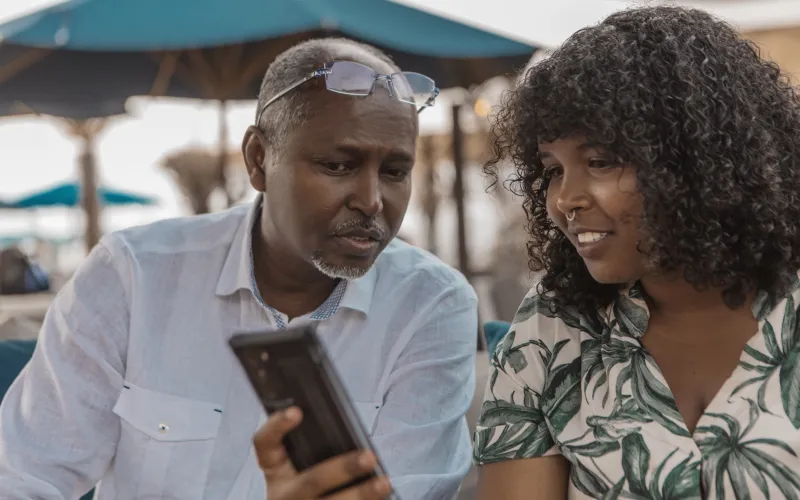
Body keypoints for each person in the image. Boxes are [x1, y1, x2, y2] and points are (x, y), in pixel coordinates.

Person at [0, 38, 478, 500]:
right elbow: (23, 475)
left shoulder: (430, 306)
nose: (372, 200)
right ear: (258, 160)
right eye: (337, 165)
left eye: (395, 172)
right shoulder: (133, 276)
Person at [473, 6, 800, 499]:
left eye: (600, 161)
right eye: (554, 169)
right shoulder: (552, 327)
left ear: (696, 160)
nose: (565, 199)